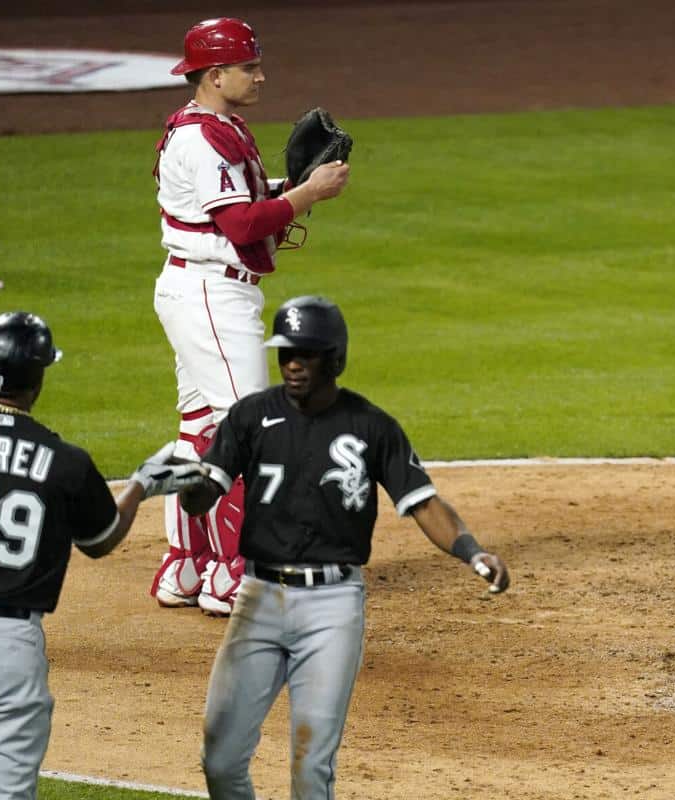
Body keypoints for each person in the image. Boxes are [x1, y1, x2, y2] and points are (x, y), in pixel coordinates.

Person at [177, 296, 510, 798]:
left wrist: (472, 550)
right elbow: (204, 496)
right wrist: (185, 482)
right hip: (258, 598)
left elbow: (422, 502)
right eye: (285, 352)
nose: (291, 363)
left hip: (332, 609)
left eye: (304, 354)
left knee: (311, 769)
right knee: (220, 760)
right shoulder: (249, 417)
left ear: (334, 359)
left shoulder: (370, 426)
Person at [0, 312, 204, 799]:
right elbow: (100, 538)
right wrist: (143, 484)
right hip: (4, 651)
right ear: (36, 379)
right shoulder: (64, 461)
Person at [150, 17, 351, 616]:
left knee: (200, 433)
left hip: (200, 290)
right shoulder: (201, 138)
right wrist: (306, 196)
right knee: (252, 432)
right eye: (248, 67)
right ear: (215, 75)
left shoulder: (219, 126)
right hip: (211, 294)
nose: (260, 75)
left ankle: (187, 566)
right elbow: (239, 226)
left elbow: (243, 203)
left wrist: (295, 183)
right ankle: (234, 576)